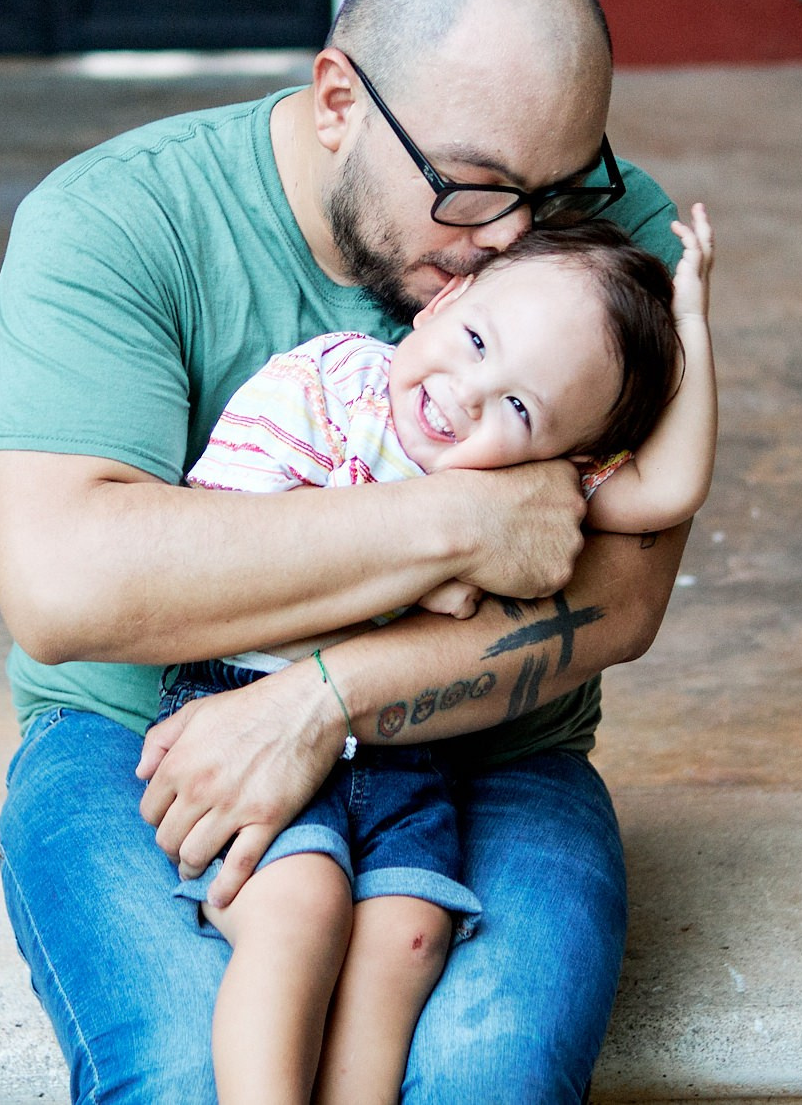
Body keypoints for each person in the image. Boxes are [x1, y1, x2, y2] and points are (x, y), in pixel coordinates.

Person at [0, 0, 695, 1103]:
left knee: (485, 1084)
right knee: (189, 1080)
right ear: (335, 104)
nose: (511, 240)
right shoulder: (113, 223)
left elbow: (620, 599)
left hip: (488, 759)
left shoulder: (607, 254)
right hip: (143, 743)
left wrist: (328, 699)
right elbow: (64, 583)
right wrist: (462, 526)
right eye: (472, 189)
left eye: (558, 187)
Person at [161, 212, 716, 1105]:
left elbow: (670, 490)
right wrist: (427, 576)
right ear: (444, 300)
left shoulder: (517, 485)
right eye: (475, 340)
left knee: (408, 939)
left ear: (563, 455)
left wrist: (690, 320)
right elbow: (216, 586)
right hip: (249, 706)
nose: (468, 393)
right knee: (301, 914)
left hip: (403, 750)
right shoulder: (325, 390)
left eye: (519, 406)